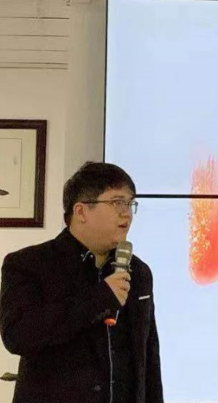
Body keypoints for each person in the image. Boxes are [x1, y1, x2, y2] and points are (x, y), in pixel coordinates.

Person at [0, 162, 163, 403]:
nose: (126, 213)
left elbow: (148, 358)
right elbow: (18, 336)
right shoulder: (29, 264)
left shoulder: (138, 272)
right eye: (117, 202)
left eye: (130, 204)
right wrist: (99, 299)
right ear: (81, 211)